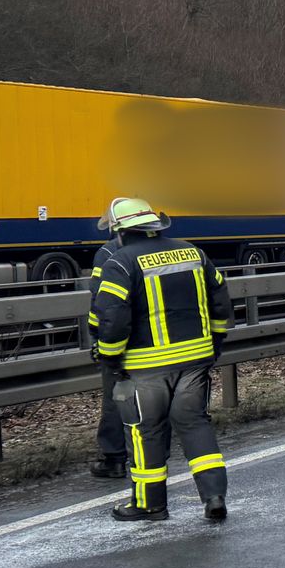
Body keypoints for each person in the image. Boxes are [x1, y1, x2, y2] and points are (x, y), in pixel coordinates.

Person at [91, 198, 233, 523]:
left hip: (145, 366)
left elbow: (112, 317)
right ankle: (214, 496)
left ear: (121, 232)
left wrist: (111, 358)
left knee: (145, 431)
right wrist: (215, 343)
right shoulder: (192, 252)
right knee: (195, 423)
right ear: (155, 226)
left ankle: (149, 505)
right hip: (195, 360)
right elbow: (221, 299)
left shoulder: (120, 262)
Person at [86, 232, 128, 479]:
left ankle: (115, 458)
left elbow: (100, 301)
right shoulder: (159, 251)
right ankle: (149, 454)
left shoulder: (108, 253)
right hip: (156, 342)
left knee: (117, 396)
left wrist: (97, 340)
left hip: (119, 339)